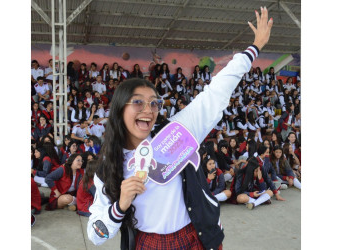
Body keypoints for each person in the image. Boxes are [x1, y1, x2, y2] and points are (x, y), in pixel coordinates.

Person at [87, 7, 273, 249]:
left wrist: (254, 48)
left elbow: (216, 93)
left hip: (195, 237)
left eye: (154, 103)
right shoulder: (108, 166)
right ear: (120, 109)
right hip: (148, 243)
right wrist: (120, 205)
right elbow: (95, 235)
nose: (148, 109)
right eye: (138, 102)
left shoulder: (176, 133)